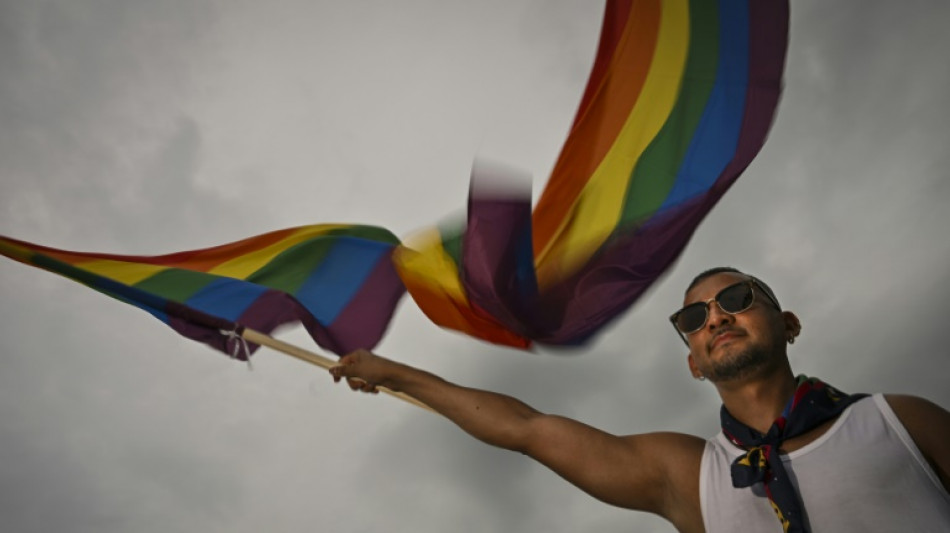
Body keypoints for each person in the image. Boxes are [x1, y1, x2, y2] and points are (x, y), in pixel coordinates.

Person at [329, 267, 950, 532]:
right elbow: (527, 428)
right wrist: (396, 374)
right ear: (693, 363)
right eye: (693, 316)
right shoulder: (687, 475)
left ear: (787, 322)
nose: (715, 317)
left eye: (736, 298)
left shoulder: (900, 419)